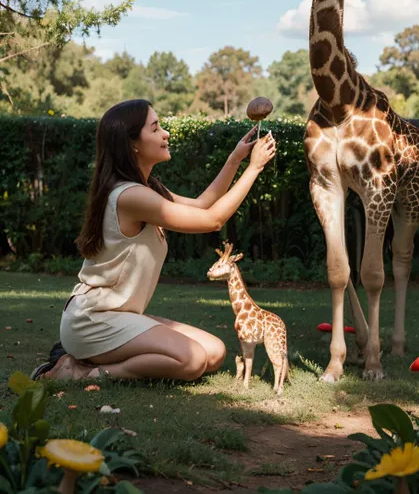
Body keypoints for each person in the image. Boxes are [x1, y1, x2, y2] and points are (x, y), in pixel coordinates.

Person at [33, 99, 276, 382]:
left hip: (121, 316)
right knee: (192, 360)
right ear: (132, 143)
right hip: (94, 319)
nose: (166, 134)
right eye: (155, 128)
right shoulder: (130, 196)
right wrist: (254, 168)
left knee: (213, 353)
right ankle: (80, 373)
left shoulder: (148, 190)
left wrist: (236, 159)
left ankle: (84, 357)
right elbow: (213, 221)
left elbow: (203, 203)